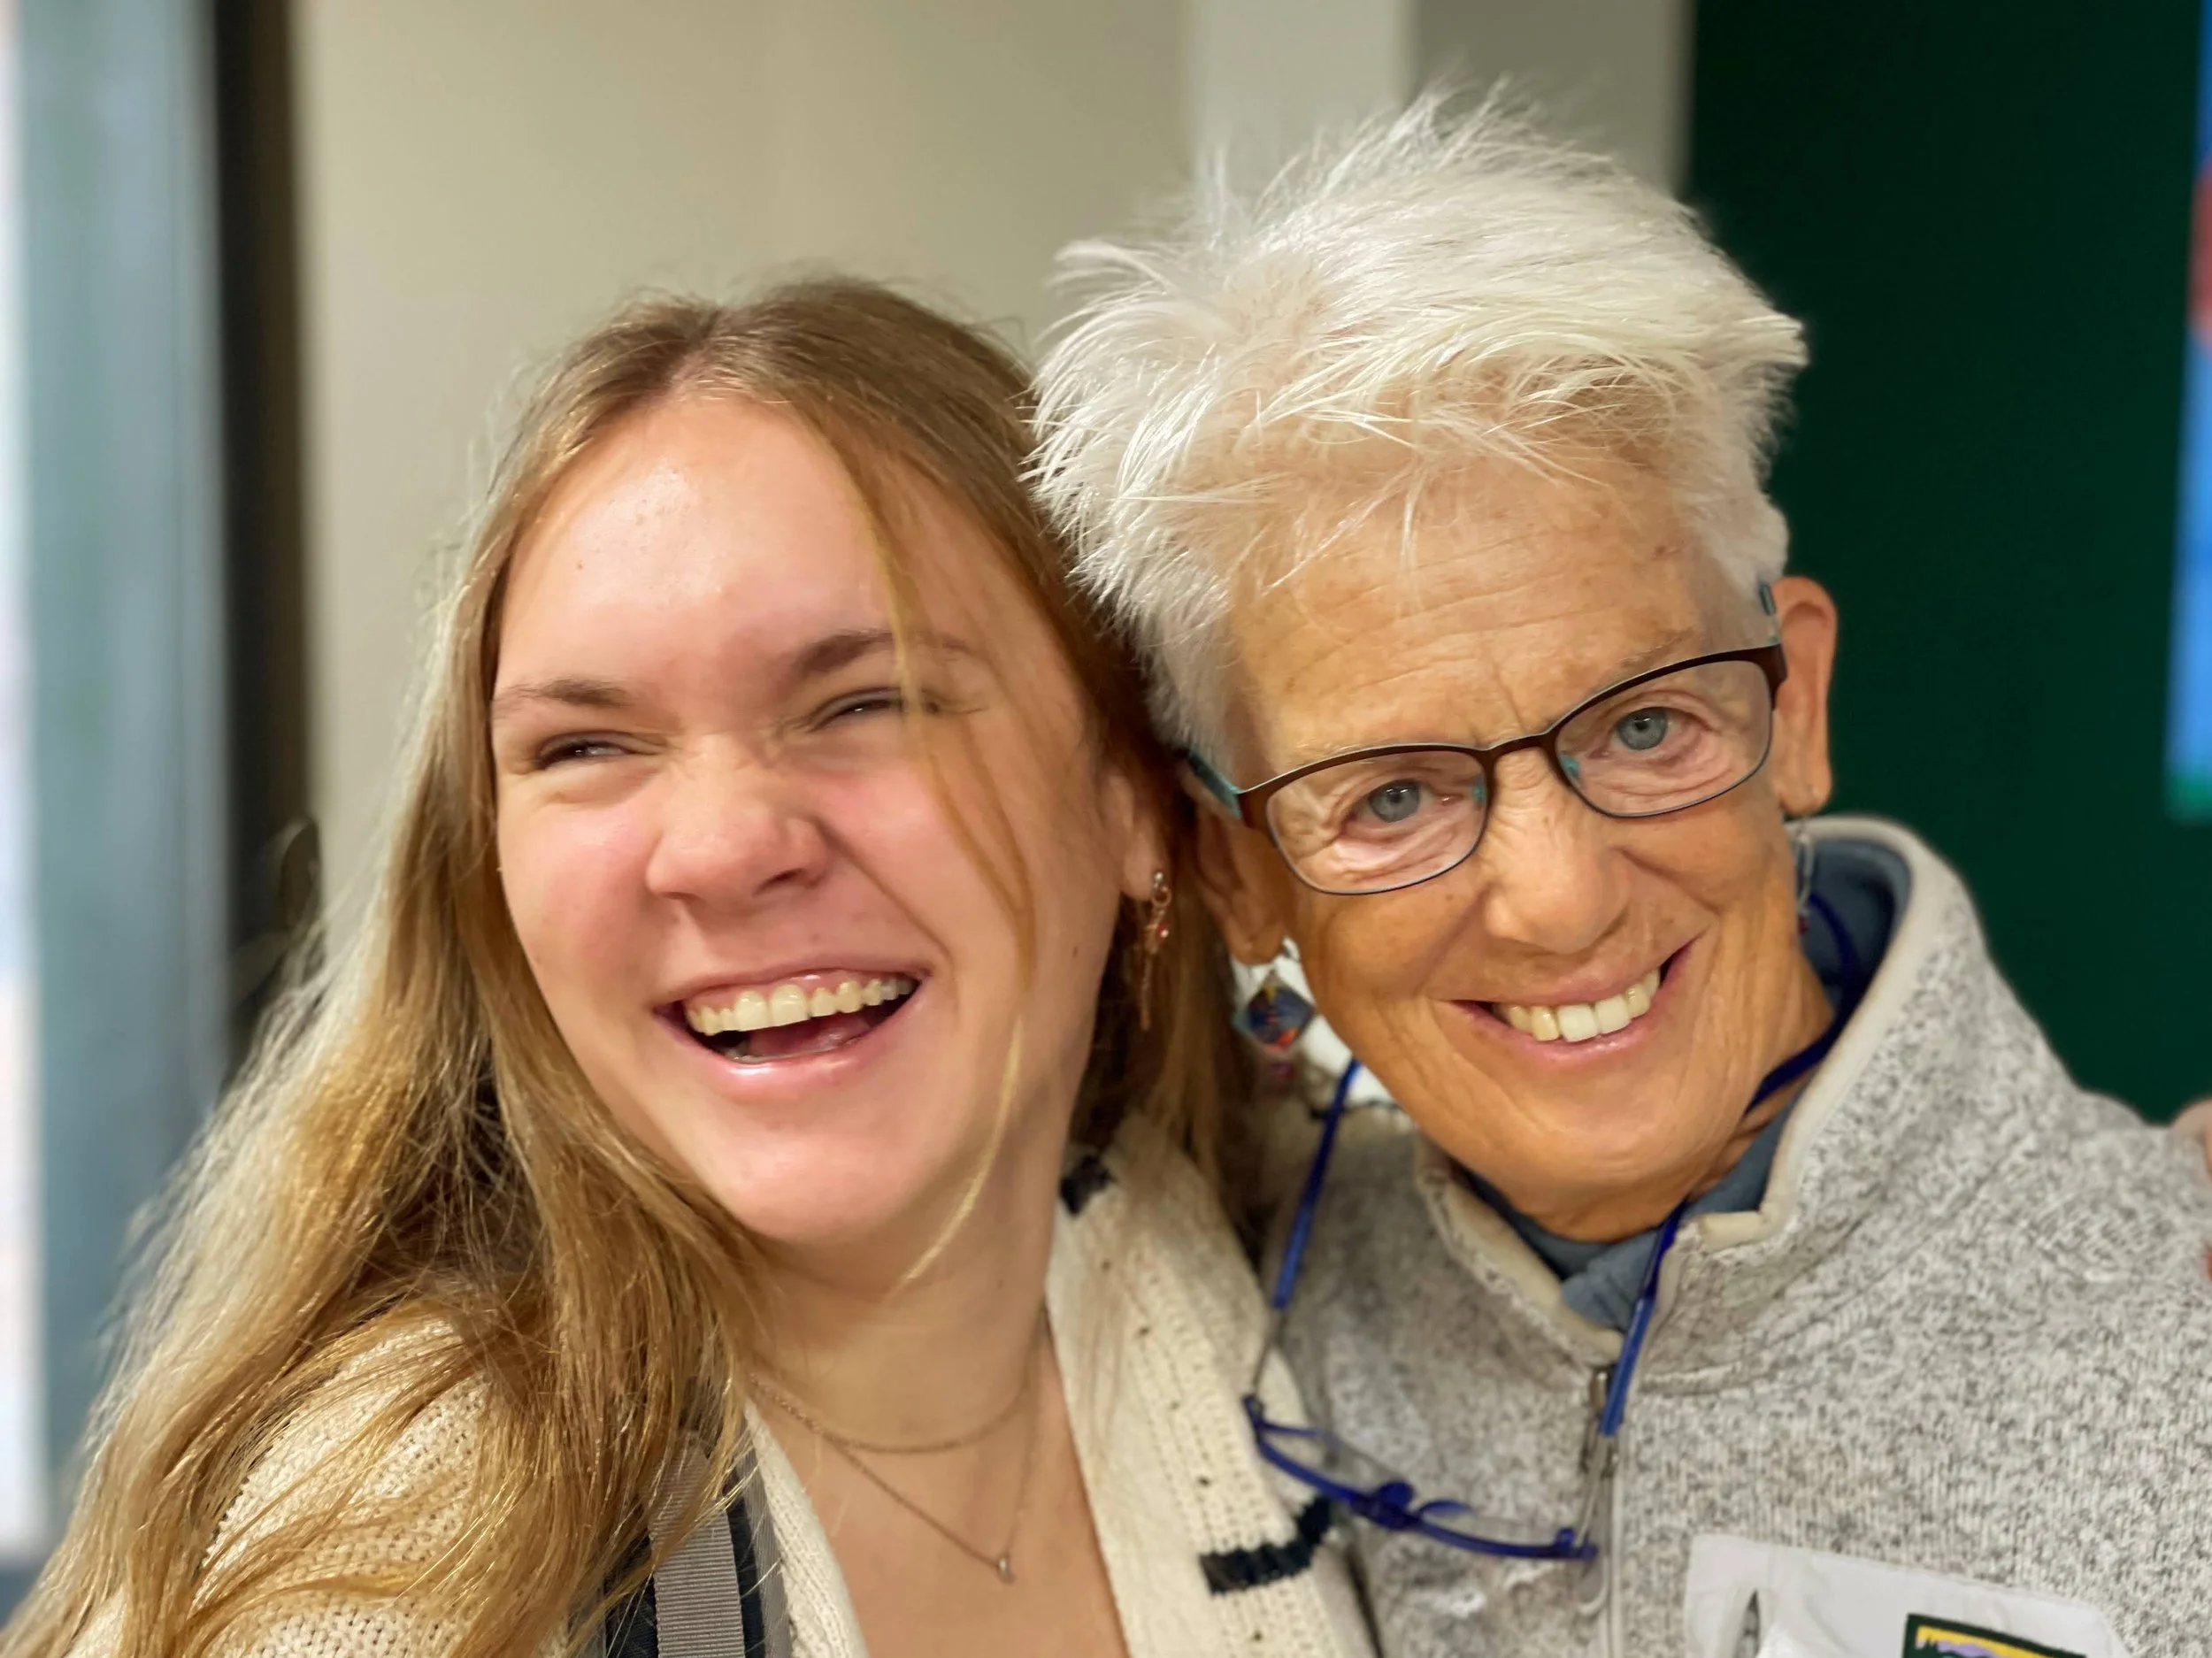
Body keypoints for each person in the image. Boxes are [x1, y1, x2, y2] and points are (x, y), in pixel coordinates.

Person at [3, 284, 1371, 1658]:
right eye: (587, 745)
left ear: (1136, 792)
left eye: (865, 701)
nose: (718, 851)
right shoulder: (387, 1576)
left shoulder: (1301, 1296)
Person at [1033, 102, 2212, 1658]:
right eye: (1391, 791)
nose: (1558, 897)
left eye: (1645, 722)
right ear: (1239, 872)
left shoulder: (2171, 1322)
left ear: (1792, 704)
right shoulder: (1203, 1302)